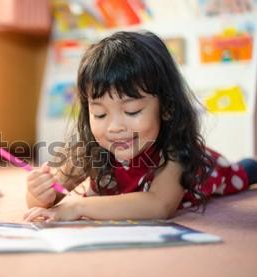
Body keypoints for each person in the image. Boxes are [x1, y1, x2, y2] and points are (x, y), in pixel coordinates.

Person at [24, 31, 257, 222]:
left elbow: (159, 205)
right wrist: (39, 192)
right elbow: (50, 195)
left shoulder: (176, 152)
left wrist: (79, 207)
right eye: (100, 113)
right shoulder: (89, 150)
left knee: (245, 172)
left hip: (215, 170)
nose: (115, 127)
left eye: (132, 111)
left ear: (166, 106)